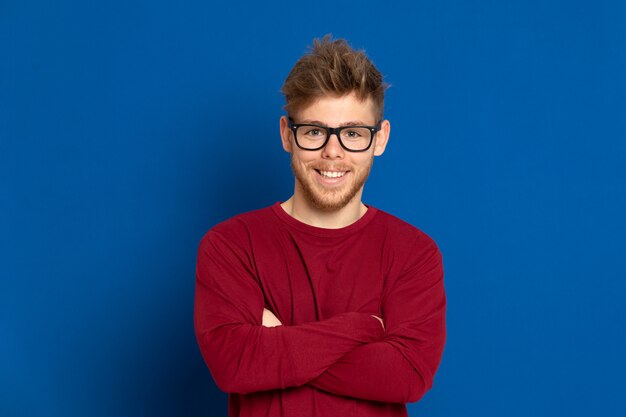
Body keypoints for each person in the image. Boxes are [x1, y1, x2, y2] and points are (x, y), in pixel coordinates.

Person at [194, 35, 446, 417]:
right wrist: (363, 329)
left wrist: (279, 342)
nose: (333, 151)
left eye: (353, 133)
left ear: (380, 139)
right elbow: (235, 364)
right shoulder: (231, 246)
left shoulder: (414, 254)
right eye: (314, 131)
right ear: (286, 134)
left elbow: (407, 376)